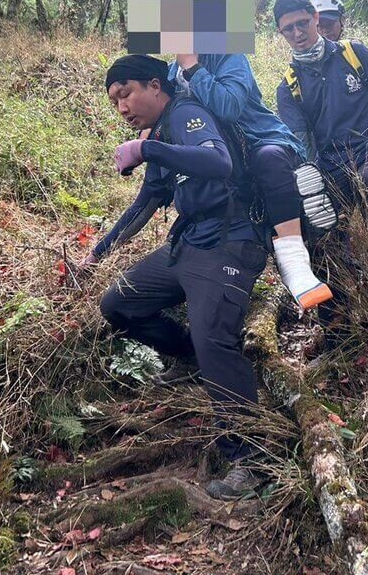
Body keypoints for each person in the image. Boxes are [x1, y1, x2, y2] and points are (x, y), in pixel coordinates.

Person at [89, 54, 269, 500]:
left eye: (126, 94)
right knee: (118, 304)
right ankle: (189, 357)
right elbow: (145, 204)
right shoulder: (161, 133)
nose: (122, 108)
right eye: (114, 102)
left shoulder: (187, 113)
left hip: (228, 242)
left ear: (155, 85)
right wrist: (96, 255)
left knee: (215, 340)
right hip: (185, 246)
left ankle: (251, 460)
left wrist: (146, 149)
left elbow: (219, 162)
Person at [169, 52, 333, 310]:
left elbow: (228, 107)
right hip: (225, 158)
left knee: (269, 161)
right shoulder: (169, 73)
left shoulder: (230, 57)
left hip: (263, 142)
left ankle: (294, 260)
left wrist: (192, 67)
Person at [273, 0, 368, 280]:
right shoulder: (288, 88)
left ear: (315, 18)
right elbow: (303, 143)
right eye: (288, 28)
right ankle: (345, 293)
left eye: (302, 23)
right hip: (331, 167)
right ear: (281, 33)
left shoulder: (353, 54)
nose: (297, 33)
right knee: (319, 230)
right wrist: (310, 180)